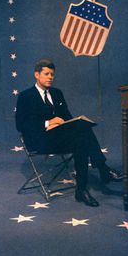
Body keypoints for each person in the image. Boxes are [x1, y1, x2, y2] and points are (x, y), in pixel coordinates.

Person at [15, 59, 122, 207]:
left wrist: (73, 123)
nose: (50, 77)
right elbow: (21, 125)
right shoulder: (25, 96)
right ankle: (103, 170)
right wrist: (48, 123)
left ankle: (82, 190)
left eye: (52, 74)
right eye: (46, 74)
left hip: (58, 137)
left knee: (83, 134)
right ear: (36, 75)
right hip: (39, 141)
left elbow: (67, 117)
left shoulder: (57, 93)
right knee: (82, 137)